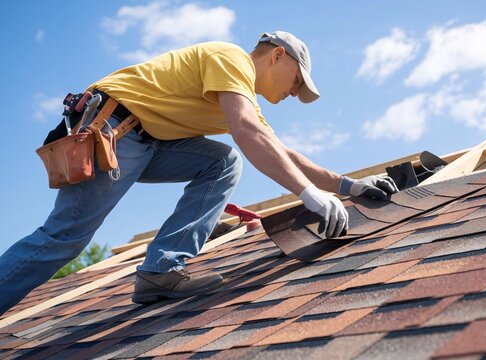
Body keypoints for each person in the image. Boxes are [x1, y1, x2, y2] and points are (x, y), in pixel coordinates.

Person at [0, 31, 398, 313]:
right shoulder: (232, 60)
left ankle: (161, 271)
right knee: (64, 238)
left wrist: (350, 186)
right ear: (277, 55)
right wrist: (308, 195)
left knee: (222, 161)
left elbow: (279, 150)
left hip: (148, 140)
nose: (295, 92)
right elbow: (247, 132)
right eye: (297, 81)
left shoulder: (241, 99)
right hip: (115, 129)